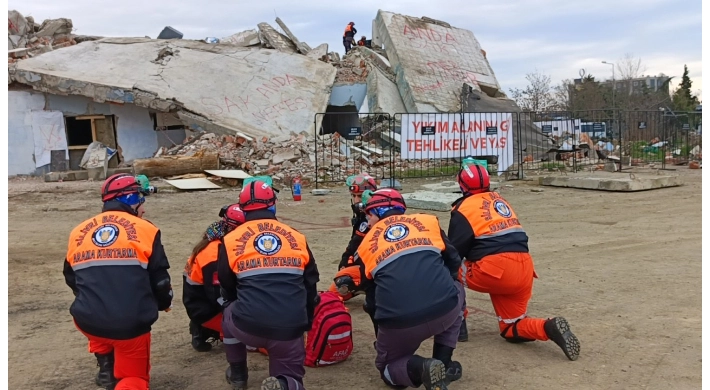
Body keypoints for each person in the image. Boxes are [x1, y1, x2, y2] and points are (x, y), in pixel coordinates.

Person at [447, 163, 581, 360]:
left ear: (462, 185)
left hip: (494, 270)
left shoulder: (463, 208)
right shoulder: (500, 201)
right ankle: (548, 327)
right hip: (524, 269)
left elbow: (454, 253)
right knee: (511, 327)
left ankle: (458, 325)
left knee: (446, 267)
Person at [335, 188, 464, 389]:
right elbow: (454, 262)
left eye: (368, 215)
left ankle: (422, 367)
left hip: (401, 321)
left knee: (388, 368)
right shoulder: (427, 222)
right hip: (445, 309)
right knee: (458, 289)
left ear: (376, 213)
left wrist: (385, 337)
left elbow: (372, 298)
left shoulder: (367, 243)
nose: (367, 222)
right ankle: (443, 361)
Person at [63, 173, 173, 390]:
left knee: (99, 314)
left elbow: (71, 277)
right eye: (141, 201)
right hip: (129, 326)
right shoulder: (146, 230)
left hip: (87, 320)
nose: (144, 208)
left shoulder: (79, 231)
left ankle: (106, 367)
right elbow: (160, 281)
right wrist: (163, 303)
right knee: (134, 379)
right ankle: (124, 377)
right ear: (131, 200)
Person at [218, 180, 320, 390]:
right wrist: (305, 323)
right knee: (291, 376)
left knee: (228, 308)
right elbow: (310, 284)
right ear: (273, 205)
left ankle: (238, 373)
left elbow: (227, 285)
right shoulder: (296, 237)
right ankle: (284, 384)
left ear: (243, 208)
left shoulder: (230, 240)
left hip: (247, 325)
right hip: (290, 326)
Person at [183, 204, 245, 352]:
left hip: (200, 301)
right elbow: (219, 297)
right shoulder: (215, 255)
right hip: (206, 308)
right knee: (258, 338)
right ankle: (207, 327)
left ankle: (206, 327)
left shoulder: (215, 240)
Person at [326, 174, 378, 300]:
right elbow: (354, 243)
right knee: (341, 280)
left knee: (336, 290)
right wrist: (346, 260)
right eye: (353, 196)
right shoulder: (361, 216)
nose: (356, 200)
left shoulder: (372, 216)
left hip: (374, 267)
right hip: (368, 264)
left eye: (359, 196)